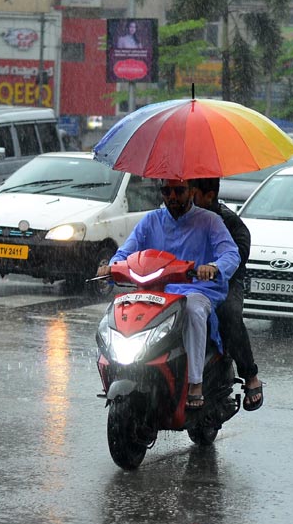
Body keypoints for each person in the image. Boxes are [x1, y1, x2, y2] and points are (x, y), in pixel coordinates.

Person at [97, 178, 240, 409]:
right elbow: (126, 251)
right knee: (119, 309)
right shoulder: (151, 220)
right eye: (166, 190)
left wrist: (213, 267)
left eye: (179, 190)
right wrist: (111, 267)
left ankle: (195, 382)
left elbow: (231, 254)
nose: (172, 196)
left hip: (197, 291)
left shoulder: (210, 221)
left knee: (193, 310)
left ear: (192, 191)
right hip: (156, 292)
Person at [188, 177, 264, 412]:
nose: (185, 198)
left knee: (228, 314)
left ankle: (250, 376)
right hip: (186, 281)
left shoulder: (230, 223)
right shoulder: (176, 218)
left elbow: (237, 257)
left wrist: (216, 267)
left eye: (192, 193)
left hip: (225, 282)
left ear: (208, 195)